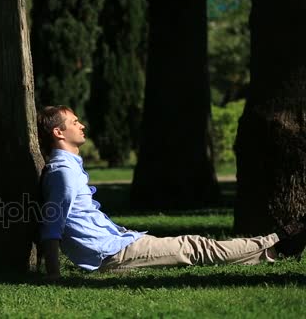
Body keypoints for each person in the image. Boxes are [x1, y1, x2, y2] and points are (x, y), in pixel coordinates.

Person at [37, 105, 306, 279]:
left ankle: (275, 247)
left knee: (194, 246)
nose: (81, 125)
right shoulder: (63, 172)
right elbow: (52, 225)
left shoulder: (69, 168)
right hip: (111, 255)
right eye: (74, 122)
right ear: (59, 132)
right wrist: (53, 275)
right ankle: (277, 241)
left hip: (118, 245)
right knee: (194, 247)